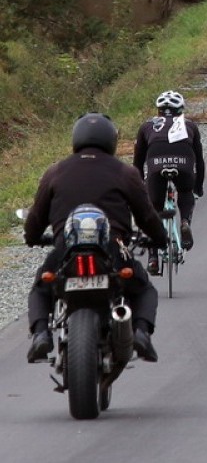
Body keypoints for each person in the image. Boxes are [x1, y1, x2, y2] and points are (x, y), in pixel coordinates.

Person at [25, 113, 167, 363]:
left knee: (41, 287)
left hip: (64, 250)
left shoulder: (55, 172)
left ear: (76, 138)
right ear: (111, 140)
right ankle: (142, 334)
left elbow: (36, 217)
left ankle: (40, 335)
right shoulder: (125, 172)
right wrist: (159, 238)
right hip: (112, 249)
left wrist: (33, 237)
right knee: (143, 288)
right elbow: (147, 215)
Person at [133, 90, 205, 274]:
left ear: (158, 110)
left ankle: (153, 258)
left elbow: (138, 162)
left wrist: (141, 187)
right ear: (180, 110)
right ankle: (185, 222)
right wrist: (198, 187)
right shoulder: (189, 125)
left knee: (153, 209)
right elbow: (200, 160)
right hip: (183, 163)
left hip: (156, 165)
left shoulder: (147, 126)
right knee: (186, 191)